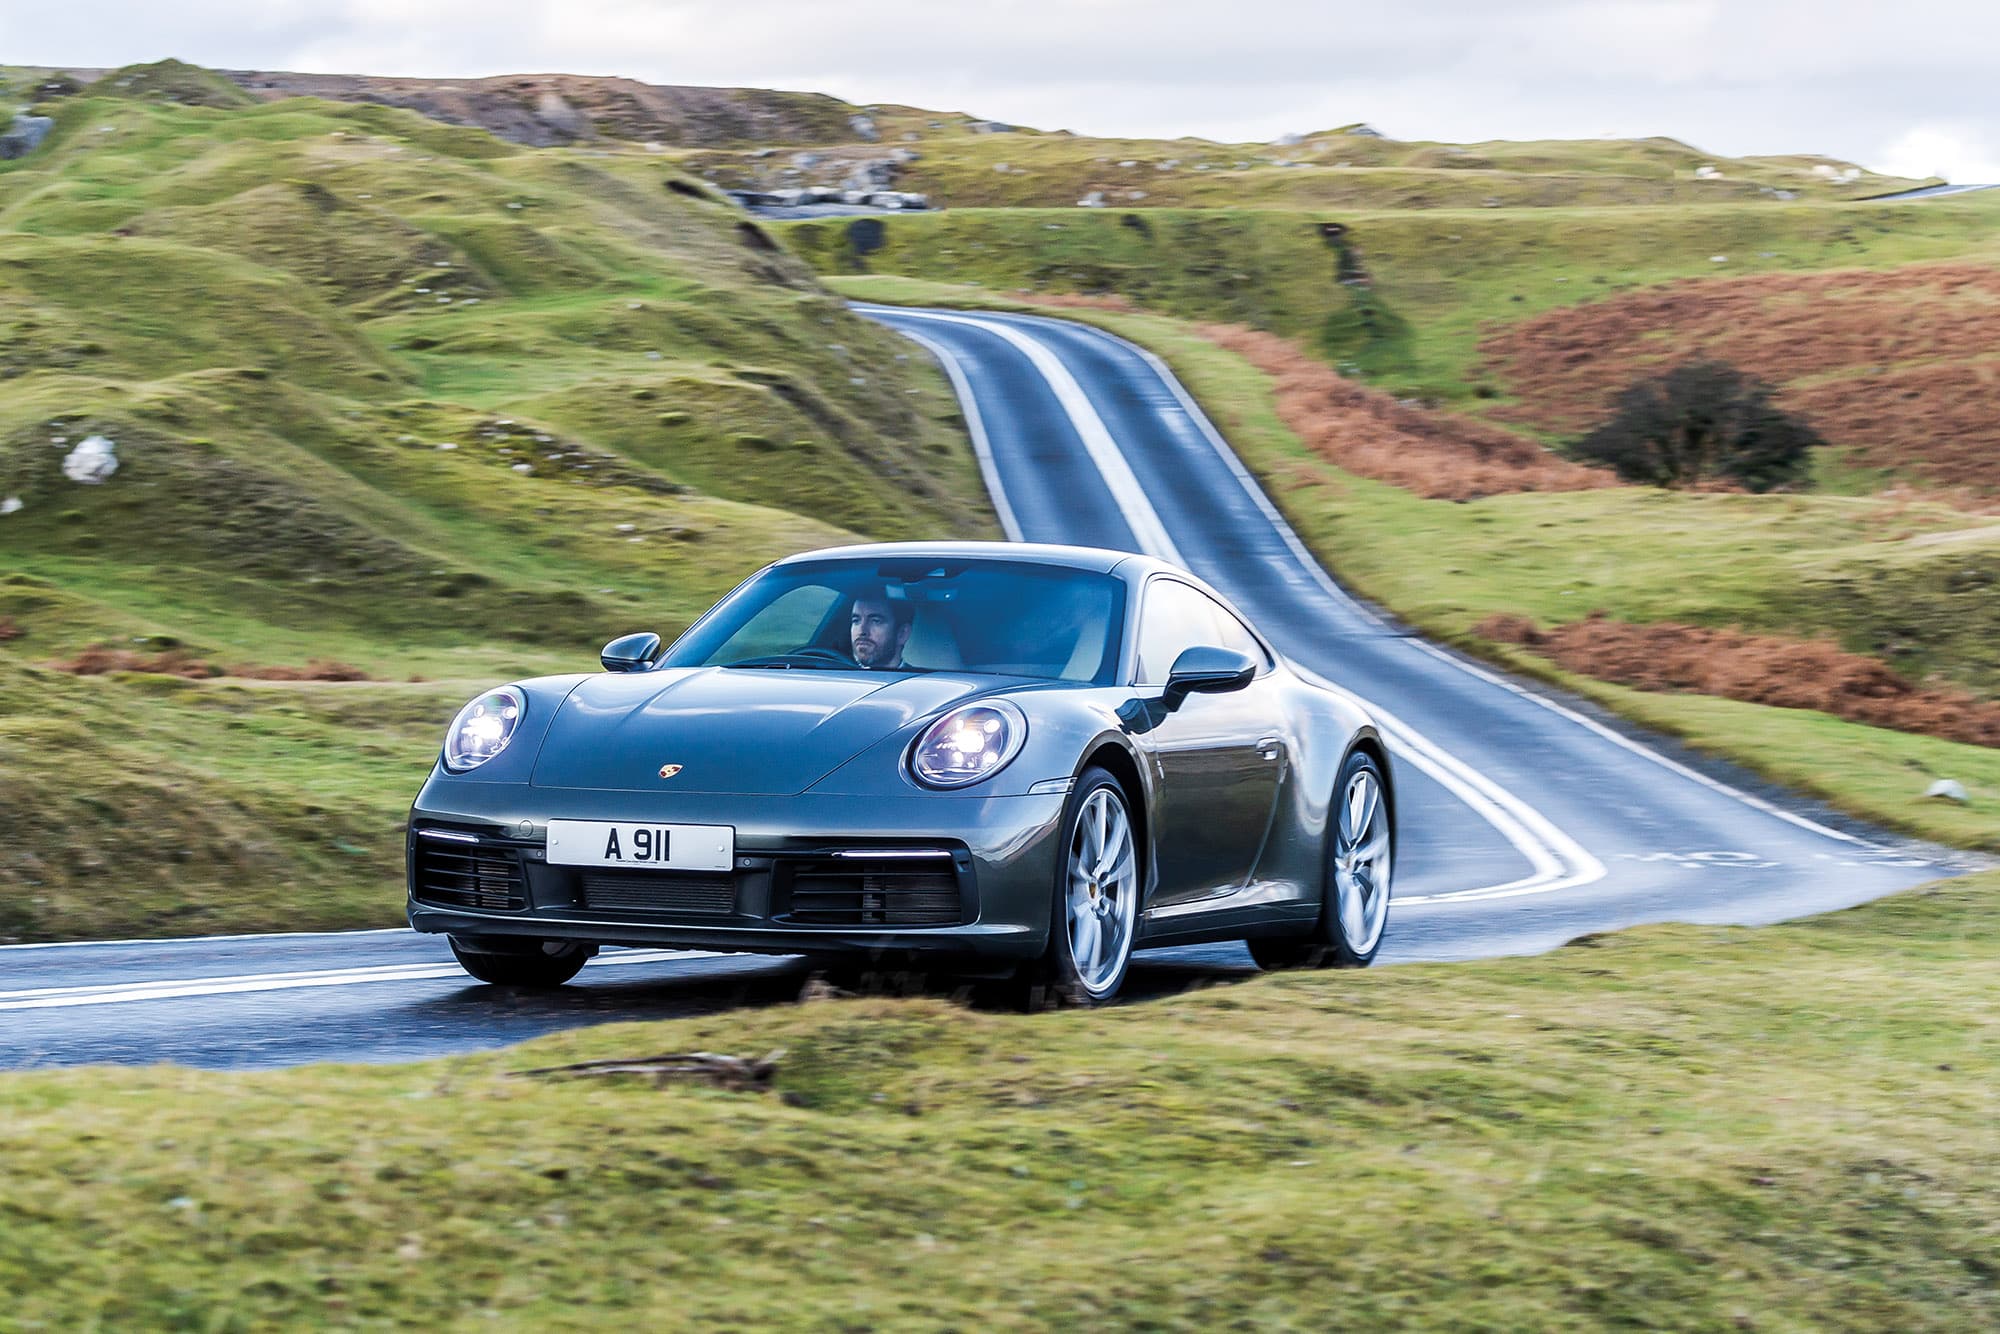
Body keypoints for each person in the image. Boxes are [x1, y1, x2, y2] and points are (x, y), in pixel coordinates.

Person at [850, 589, 912, 669]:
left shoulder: (920, 677)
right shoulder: (841, 674)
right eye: (856, 621)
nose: (862, 631)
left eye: (875, 621)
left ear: (902, 634)